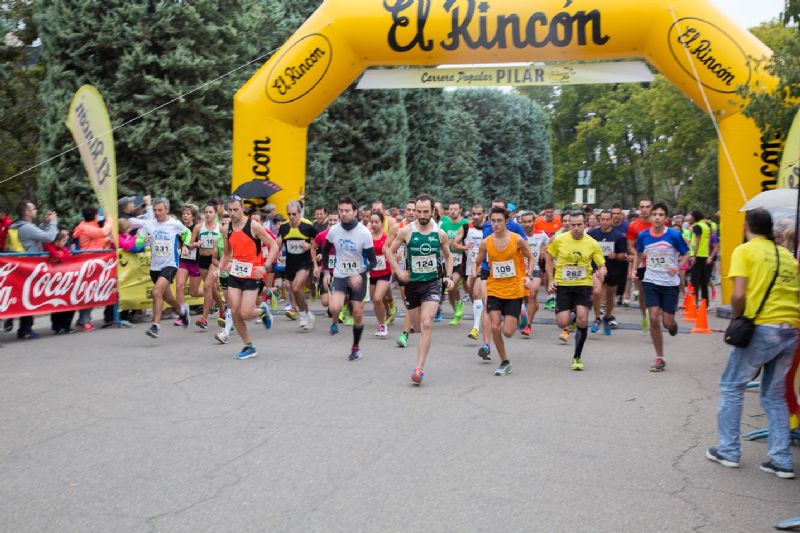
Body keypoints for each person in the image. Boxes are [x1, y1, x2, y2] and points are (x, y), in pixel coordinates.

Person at [706, 208, 799, 479]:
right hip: (791, 329)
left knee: (732, 385)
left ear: (747, 225)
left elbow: (738, 295)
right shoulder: (786, 255)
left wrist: (738, 318)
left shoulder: (745, 251)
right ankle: (781, 460)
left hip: (762, 328)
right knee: (774, 396)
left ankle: (729, 451)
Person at [385, 194, 455, 384]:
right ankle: (419, 361)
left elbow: (449, 257)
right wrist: (399, 272)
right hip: (412, 285)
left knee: (426, 323)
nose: (422, 215)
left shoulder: (440, 234)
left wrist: (447, 277)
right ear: (414, 211)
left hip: (433, 283)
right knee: (417, 327)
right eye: (419, 211)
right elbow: (389, 251)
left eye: (426, 211)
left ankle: (419, 368)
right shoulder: (406, 231)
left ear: (432, 211)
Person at [472, 207, 534, 376]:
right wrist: (474, 270)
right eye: (493, 221)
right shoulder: (487, 242)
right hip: (494, 289)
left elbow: (530, 257)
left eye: (499, 220)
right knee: (494, 326)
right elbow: (477, 260)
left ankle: (521, 313)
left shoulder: (517, 240)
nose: (496, 224)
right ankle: (504, 362)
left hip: (514, 290)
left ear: (506, 221)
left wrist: (528, 275)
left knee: (508, 332)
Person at [217, 195, 278, 359]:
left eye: (235, 209)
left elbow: (274, 245)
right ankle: (249, 346)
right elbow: (227, 254)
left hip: (253, 274)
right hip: (236, 273)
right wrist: (220, 268)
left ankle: (263, 311)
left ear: (242, 207)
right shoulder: (226, 228)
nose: (232, 213)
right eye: (229, 210)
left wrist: (265, 266)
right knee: (234, 310)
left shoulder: (254, 226)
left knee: (245, 312)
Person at [545, 211, 606, 371]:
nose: (577, 228)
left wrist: (601, 271)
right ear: (569, 225)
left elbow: (601, 264)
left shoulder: (592, 243)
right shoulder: (559, 240)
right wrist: (551, 279)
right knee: (562, 322)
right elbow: (548, 257)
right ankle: (570, 316)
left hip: (583, 284)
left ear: (585, 224)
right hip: (564, 285)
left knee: (583, 320)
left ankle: (577, 357)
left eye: (580, 224)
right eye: (573, 225)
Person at [634, 203, 689, 372]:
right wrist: (635, 270)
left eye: (661, 214)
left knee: (667, 322)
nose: (657, 217)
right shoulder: (643, 236)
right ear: (650, 217)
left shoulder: (673, 235)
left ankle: (672, 325)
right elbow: (638, 253)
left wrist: (677, 266)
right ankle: (659, 357)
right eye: (655, 214)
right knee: (654, 318)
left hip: (670, 284)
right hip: (651, 281)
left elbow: (686, 255)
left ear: (665, 218)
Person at [321, 196, 378, 360]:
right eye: (341, 211)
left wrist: (361, 273)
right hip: (340, 274)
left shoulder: (364, 233)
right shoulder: (334, 230)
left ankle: (355, 347)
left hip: (358, 276)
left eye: (347, 211)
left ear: (355, 212)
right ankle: (344, 301)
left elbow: (373, 261)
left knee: (358, 314)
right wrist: (326, 272)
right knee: (334, 308)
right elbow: (325, 250)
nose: (343, 214)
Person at [135, 196, 192, 339]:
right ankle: (182, 311)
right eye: (155, 210)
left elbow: (187, 233)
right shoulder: (149, 224)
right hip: (155, 266)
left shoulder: (174, 224)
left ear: (167, 210)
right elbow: (138, 241)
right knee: (167, 297)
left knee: (155, 293)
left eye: (160, 210)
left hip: (170, 264)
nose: (157, 213)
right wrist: (143, 240)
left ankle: (155, 326)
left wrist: (185, 245)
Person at [10, 200, 58, 339]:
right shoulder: (26, 227)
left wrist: (45, 223)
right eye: (34, 209)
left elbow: (38, 234)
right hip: (29, 266)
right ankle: (25, 330)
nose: (36, 210)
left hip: (23, 265)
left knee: (26, 296)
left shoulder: (19, 225)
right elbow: (49, 237)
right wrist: (53, 222)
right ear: (27, 212)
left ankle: (25, 328)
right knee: (27, 297)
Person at [277, 200, 318, 329]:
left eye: (294, 214)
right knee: (296, 291)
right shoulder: (284, 227)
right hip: (290, 263)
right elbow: (278, 242)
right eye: (289, 214)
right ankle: (307, 313)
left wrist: (309, 245)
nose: (291, 217)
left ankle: (303, 314)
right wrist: (277, 251)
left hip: (304, 263)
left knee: (295, 287)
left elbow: (320, 242)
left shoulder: (308, 226)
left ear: (300, 213)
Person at [72, 205, 114, 331]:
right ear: (95, 215)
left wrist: (107, 240)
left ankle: (83, 319)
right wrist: (109, 221)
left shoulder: (89, 226)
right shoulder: (86, 227)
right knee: (88, 293)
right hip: (88, 264)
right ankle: (84, 320)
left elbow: (98, 240)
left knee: (91, 292)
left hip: (94, 263)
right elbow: (102, 233)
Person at [588, 210, 627, 335]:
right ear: (599, 220)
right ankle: (597, 317)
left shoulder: (619, 236)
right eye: (602, 219)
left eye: (607, 219)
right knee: (597, 292)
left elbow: (623, 255)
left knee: (610, 296)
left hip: (613, 269)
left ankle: (607, 317)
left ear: (611, 220)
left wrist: (615, 255)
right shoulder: (592, 234)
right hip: (597, 269)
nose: (605, 222)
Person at [453, 203, 486, 341]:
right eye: (474, 214)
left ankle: (476, 328)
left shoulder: (489, 228)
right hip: (469, 267)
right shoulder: (466, 228)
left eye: (479, 214)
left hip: (485, 268)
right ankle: (485, 316)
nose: (476, 217)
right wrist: (465, 247)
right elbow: (454, 244)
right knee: (473, 295)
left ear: (484, 214)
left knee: (478, 293)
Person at [388, 199, 417, 348]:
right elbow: (386, 249)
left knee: (411, 300)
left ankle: (405, 332)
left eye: (414, 210)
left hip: (417, 270)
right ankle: (411, 319)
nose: (411, 212)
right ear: (405, 211)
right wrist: (395, 259)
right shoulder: (396, 228)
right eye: (409, 210)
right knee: (407, 300)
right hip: (402, 270)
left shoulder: (424, 228)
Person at [192, 202, 225, 330]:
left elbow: (225, 247)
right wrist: (195, 245)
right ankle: (222, 306)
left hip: (214, 261)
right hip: (202, 259)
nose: (207, 214)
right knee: (211, 288)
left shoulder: (221, 228)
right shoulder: (198, 227)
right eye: (206, 212)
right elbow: (189, 245)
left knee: (207, 286)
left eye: (210, 212)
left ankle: (204, 318)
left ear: (216, 214)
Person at [519, 210, 549, 338]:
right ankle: (532, 307)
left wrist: (544, 250)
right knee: (526, 298)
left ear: (534, 221)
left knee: (531, 293)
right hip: (520, 270)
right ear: (521, 222)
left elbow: (550, 244)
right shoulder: (517, 236)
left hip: (535, 269)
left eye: (529, 221)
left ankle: (528, 326)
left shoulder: (541, 235)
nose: (527, 224)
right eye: (524, 222)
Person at [440, 200, 469, 326]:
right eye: (450, 209)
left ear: (460, 210)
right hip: (447, 260)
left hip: (461, 260)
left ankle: (459, 307)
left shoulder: (465, 224)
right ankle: (457, 309)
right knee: (450, 287)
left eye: (455, 209)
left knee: (452, 282)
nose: (452, 211)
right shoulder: (444, 225)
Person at [174, 204, 203, 325]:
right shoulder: (180, 230)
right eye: (184, 214)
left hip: (196, 262)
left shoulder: (198, 229)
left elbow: (203, 243)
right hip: (184, 261)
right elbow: (179, 246)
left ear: (193, 216)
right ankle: (183, 314)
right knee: (179, 286)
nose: (185, 216)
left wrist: (196, 244)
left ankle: (211, 296)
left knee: (193, 292)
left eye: (188, 214)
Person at [627, 199, 653, 330]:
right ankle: (645, 316)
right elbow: (630, 246)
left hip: (657, 263)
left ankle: (653, 314)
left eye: (647, 207)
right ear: (639, 208)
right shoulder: (634, 225)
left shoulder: (659, 222)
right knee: (642, 292)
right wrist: (639, 253)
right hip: (642, 263)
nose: (645, 209)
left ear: (651, 208)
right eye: (642, 207)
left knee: (655, 290)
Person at [45, 229, 77, 335]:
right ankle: (57, 326)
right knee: (57, 303)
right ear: (57, 241)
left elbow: (68, 256)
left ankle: (67, 325)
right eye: (63, 241)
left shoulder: (62, 247)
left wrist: (60, 257)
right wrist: (60, 257)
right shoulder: (50, 245)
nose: (64, 243)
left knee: (69, 302)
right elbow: (55, 255)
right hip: (53, 279)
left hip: (65, 277)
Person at [368, 211, 393, 338]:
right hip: (372, 273)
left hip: (385, 272)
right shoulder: (367, 237)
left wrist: (392, 255)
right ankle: (381, 322)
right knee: (375, 301)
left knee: (378, 298)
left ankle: (383, 325)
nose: (373, 224)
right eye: (371, 222)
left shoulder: (386, 237)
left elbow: (393, 253)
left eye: (376, 222)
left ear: (382, 223)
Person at [689, 210, 717, 308]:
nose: (690, 217)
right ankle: (705, 303)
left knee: (695, 281)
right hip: (704, 255)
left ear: (694, 217)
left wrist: (693, 256)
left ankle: (695, 302)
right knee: (703, 281)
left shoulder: (697, 226)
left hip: (697, 256)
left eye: (691, 216)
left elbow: (697, 242)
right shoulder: (706, 226)